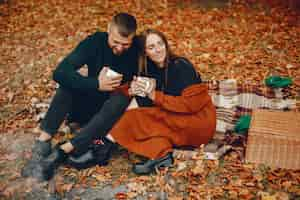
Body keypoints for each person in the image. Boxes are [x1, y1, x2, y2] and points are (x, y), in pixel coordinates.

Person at [21, 13, 139, 181]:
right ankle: (43, 142)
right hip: (88, 106)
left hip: (111, 118)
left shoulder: (137, 49)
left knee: (121, 99)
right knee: (68, 85)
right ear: (108, 31)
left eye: (125, 44)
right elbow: (60, 72)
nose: (120, 48)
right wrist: (96, 84)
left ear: (133, 38)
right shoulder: (95, 42)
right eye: (116, 42)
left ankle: (62, 152)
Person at [105, 29, 216, 175]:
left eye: (160, 44)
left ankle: (104, 145)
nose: (158, 50)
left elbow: (192, 105)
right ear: (145, 53)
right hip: (178, 118)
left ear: (165, 44)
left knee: (142, 118)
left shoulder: (181, 66)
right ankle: (162, 156)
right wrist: (130, 89)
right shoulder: (152, 69)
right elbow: (140, 94)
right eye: (151, 47)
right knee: (145, 116)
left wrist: (154, 96)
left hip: (199, 122)